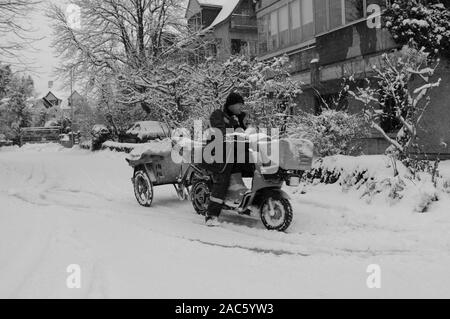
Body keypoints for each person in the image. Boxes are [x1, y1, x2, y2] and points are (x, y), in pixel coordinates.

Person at [205, 92, 251, 227]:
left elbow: (245, 133)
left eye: (243, 104)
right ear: (231, 104)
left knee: (255, 166)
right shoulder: (218, 115)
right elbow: (219, 131)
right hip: (217, 151)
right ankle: (211, 215)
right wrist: (234, 130)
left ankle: (251, 199)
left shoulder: (238, 118)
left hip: (233, 151)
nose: (241, 107)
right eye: (239, 104)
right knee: (223, 176)